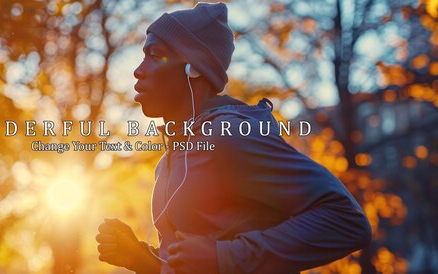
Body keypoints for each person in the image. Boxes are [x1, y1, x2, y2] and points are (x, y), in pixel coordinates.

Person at [95, 2, 372, 274]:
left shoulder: (230, 135)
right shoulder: (175, 154)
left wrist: (223, 256)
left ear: (194, 68)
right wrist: (141, 260)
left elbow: (346, 221)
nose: (138, 70)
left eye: (155, 55)